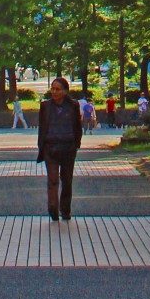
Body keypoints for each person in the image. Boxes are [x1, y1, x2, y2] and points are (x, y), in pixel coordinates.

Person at [37, 75, 84, 223]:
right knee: (52, 180)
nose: (54, 92)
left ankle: (65, 209)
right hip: (50, 147)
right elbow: (42, 128)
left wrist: (77, 143)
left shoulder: (73, 105)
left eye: (57, 89)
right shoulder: (45, 106)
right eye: (52, 88)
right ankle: (52, 207)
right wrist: (42, 146)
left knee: (67, 180)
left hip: (68, 147)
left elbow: (77, 126)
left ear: (65, 91)